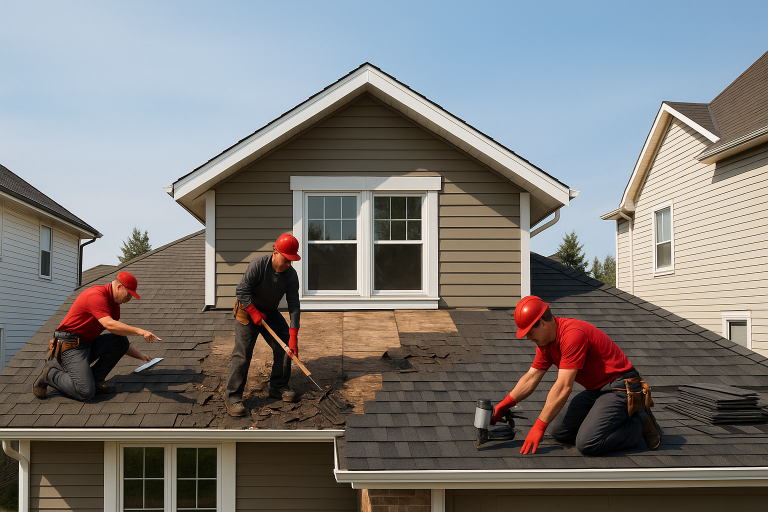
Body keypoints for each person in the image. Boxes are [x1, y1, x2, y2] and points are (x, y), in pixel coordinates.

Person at [492, 295, 661, 456]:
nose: (528, 338)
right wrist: (503, 405)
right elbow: (531, 377)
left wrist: (538, 426)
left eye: (529, 332)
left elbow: (564, 387)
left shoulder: (572, 335)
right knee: (560, 433)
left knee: (588, 443)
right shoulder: (545, 344)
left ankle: (637, 424)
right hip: (597, 390)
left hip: (621, 387)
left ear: (542, 323)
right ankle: (604, 423)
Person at [33, 271, 160, 401]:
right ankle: (50, 374)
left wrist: (141, 356)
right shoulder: (96, 295)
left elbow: (119, 339)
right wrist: (140, 331)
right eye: (129, 294)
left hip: (87, 344)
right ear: (119, 287)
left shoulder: (114, 307)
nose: (130, 298)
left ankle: (95, 380)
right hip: (69, 346)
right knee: (85, 392)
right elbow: (109, 325)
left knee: (120, 341)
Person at [224, 233, 301, 417]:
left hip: (269, 312)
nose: (289, 264)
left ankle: (278, 386)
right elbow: (241, 290)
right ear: (276, 252)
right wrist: (252, 311)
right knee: (242, 354)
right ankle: (232, 396)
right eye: (286, 259)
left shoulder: (290, 275)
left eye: (292, 260)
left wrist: (293, 336)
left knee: (284, 346)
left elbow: (294, 305)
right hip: (246, 310)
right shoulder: (258, 265)